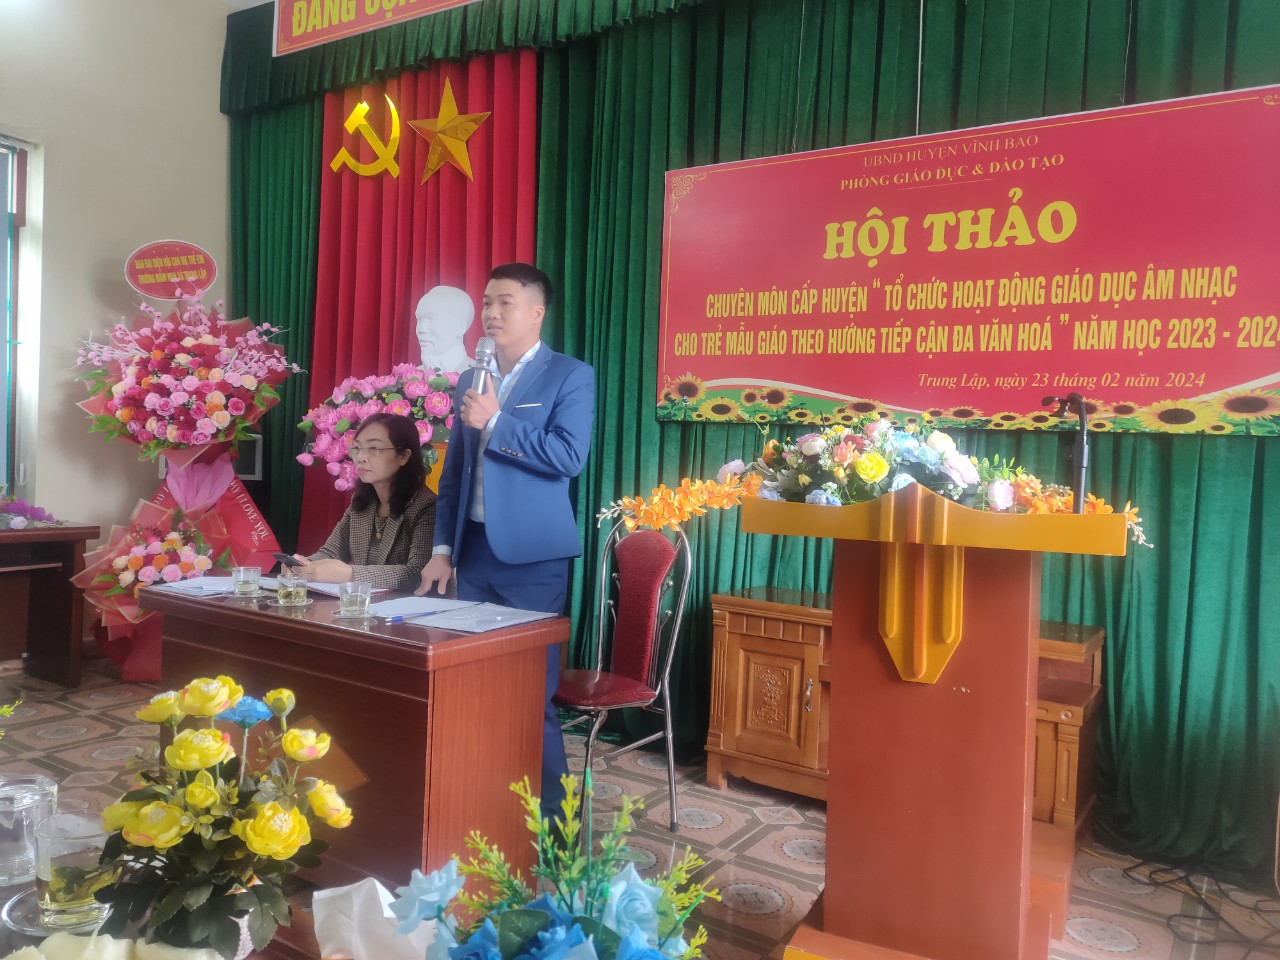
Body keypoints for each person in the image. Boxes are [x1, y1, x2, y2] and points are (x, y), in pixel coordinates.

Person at [417, 262, 594, 819]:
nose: (491, 313)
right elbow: (454, 474)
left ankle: (556, 832)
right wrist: (442, 549)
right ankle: (486, 811)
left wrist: (496, 423)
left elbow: (568, 456)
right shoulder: (471, 379)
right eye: (487, 302)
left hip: (531, 562)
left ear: (536, 312)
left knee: (526, 696)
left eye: (505, 303)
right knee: (472, 687)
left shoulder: (570, 375)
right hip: (471, 555)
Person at [294, 413, 436, 592]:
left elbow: (418, 573)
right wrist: (303, 566)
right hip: (365, 603)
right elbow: (331, 553)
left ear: (403, 456)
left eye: (373, 448)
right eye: (357, 448)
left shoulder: (427, 506)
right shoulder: (361, 502)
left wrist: (350, 574)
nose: (360, 457)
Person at [415, 285, 475, 373]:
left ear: (459, 327)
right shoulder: (411, 376)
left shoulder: (479, 376)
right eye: (419, 319)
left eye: (432, 319)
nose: (421, 329)